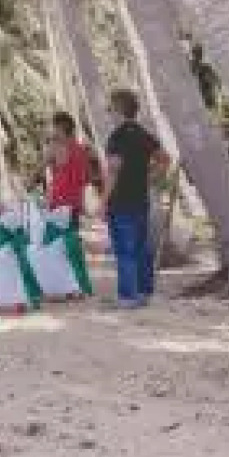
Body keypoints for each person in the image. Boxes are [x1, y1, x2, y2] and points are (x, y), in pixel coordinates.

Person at [103, 89, 171, 308]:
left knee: (125, 250)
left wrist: (104, 199)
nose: (108, 113)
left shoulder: (117, 137)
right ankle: (144, 293)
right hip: (140, 199)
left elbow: (114, 170)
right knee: (142, 248)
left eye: (110, 109)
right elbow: (164, 159)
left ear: (118, 110)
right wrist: (150, 177)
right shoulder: (144, 134)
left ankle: (128, 297)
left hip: (120, 201)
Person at [45, 112, 98, 230]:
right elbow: (87, 178)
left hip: (62, 207)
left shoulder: (63, 149)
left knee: (62, 243)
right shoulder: (80, 150)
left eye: (54, 129)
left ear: (61, 129)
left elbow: (47, 162)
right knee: (69, 241)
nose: (52, 133)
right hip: (70, 205)